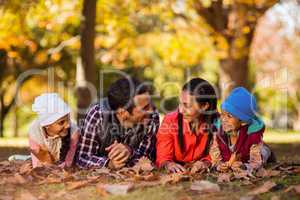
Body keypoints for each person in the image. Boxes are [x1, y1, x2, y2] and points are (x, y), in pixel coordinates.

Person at [76, 77, 159, 169]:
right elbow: (82, 158)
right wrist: (108, 163)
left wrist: (130, 151)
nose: (151, 110)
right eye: (145, 108)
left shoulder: (151, 117)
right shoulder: (98, 114)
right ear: (122, 113)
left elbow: (148, 158)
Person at [156, 78, 218, 173]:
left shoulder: (217, 123)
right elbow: (163, 156)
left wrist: (205, 163)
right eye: (180, 104)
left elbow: (217, 154)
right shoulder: (170, 121)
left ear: (205, 106)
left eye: (187, 105)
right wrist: (168, 164)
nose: (181, 110)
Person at [209, 87, 275, 172]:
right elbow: (215, 155)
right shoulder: (219, 133)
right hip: (232, 158)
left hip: (254, 152)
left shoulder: (252, 136)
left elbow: (256, 162)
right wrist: (219, 165)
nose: (223, 119)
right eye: (222, 114)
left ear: (243, 121)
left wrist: (244, 166)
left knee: (263, 151)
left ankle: (267, 150)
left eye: (229, 116)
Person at [29, 93, 80, 168]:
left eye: (68, 119)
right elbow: (37, 164)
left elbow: (69, 163)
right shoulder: (35, 133)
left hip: (64, 161)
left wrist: (60, 169)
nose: (68, 125)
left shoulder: (73, 132)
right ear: (47, 125)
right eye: (61, 122)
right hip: (47, 159)